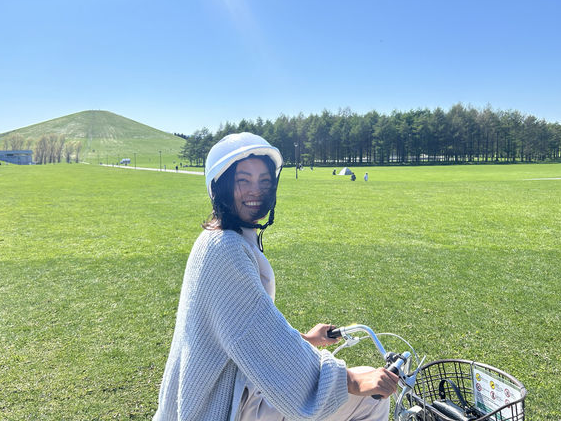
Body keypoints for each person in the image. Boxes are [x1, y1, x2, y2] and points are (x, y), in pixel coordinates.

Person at [153, 133, 397, 421]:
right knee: (370, 401)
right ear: (221, 186)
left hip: (223, 388)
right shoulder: (225, 249)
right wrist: (350, 381)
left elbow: (250, 330)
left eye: (264, 181)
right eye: (243, 180)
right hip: (221, 403)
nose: (255, 190)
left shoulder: (220, 236)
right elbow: (256, 336)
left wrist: (305, 339)